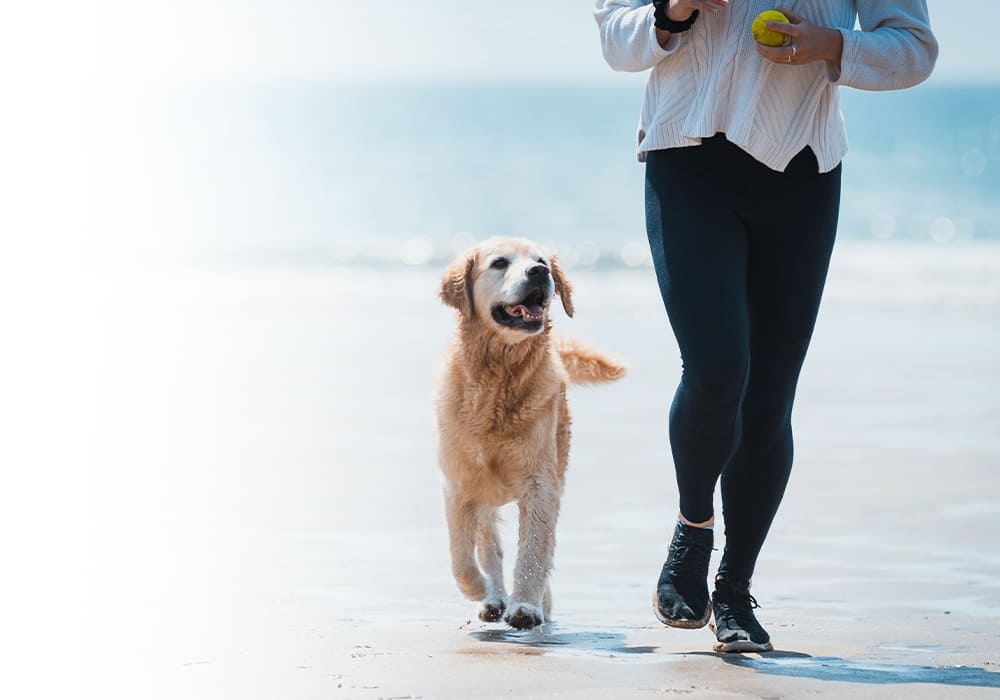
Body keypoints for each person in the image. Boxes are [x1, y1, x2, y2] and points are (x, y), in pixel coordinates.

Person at [593, 0, 937, 652]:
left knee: (770, 393)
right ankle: (693, 528)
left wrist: (833, 45)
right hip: (688, 154)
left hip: (803, 177)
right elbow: (616, 36)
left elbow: (913, 48)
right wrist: (673, 9)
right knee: (719, 366)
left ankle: (735, 590)